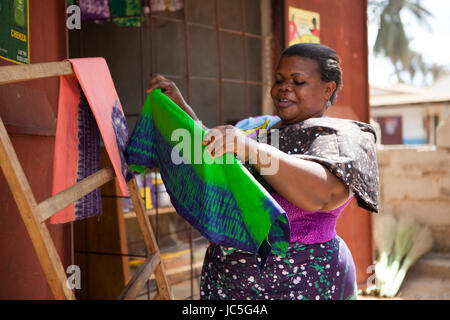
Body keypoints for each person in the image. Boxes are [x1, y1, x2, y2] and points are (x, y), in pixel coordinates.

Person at [147, 43, 379, 300]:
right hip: (229, 283)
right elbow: (219, 165)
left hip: (305, 284)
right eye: (279, 79)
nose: (284, 87)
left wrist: (252, 150)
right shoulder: (255, 127)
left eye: (298, 81)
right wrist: (182, 111)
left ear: (328, 89)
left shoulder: (340, 136)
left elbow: (323, 195)